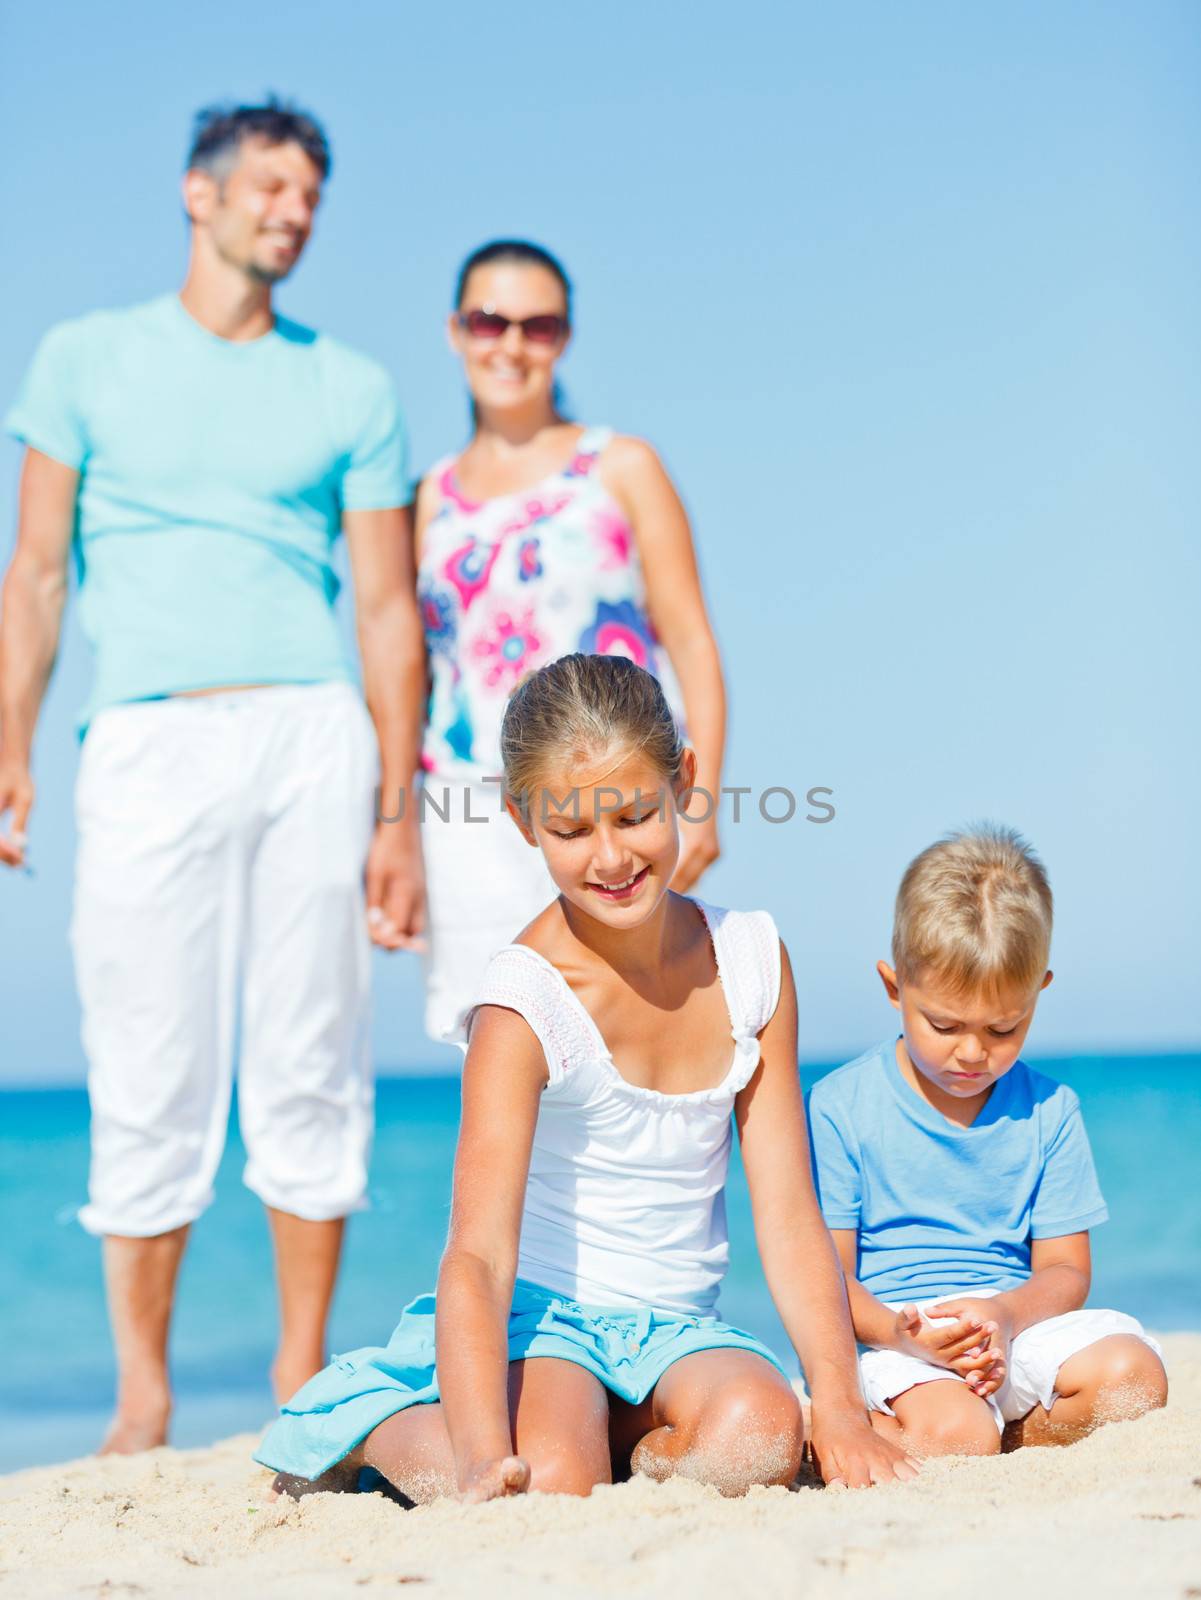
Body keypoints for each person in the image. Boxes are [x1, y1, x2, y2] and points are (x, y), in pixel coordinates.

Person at [0, 99, 427, 1452]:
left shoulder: (351, 387)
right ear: (200, 194)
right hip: (143, 736)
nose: (291, 210)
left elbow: (386, 610)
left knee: (313, 1054)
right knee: (146, 1060)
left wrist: (399, 811)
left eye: (310, 193)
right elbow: (39, 571)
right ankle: (143, 1398)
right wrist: (9, 740)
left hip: (312, 734)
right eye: (269, 186)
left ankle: (300, 1377)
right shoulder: (84, 358)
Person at [255, 655, 917, 1500]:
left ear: (682, 782)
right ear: (523, 821)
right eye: (570, 832)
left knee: (761, 1436)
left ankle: (612, 1442)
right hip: (545, 1327)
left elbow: (788, 1215)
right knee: (550, 1481)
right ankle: (368, 1427)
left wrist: (840, 1406)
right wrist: (477, 1457)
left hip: (678, 1329)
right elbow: (478, 1257)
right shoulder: (522, 1006)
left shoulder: (753, 963)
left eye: (635, 815)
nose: (610, 858)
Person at [411, 239, 725, 1044]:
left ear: (564, 338)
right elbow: (415, 671)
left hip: (616, 800)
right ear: (455, 331)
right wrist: (395, 836)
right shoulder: (425, 502)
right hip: (466, 809)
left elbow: (689, 634)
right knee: (500, 1046)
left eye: (538, 325)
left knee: (628, 1033)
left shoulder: (620, 467)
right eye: (488, 321)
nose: (510, 345)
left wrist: (704, 801)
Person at [807, 826, 1168, 1456]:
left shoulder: (1050, 1111)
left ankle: (1004, 1432)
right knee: (958, 1431)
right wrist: (903, 1333)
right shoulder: (843, 1105)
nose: (973, 1053)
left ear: (1039, 993)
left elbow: (1065, 1269)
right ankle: (921, 1429)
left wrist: (1003, 1314)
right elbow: (828, 1279)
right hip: (900, 1344)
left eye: (1004, 1027)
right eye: (944, 1025)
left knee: (1134, 1378)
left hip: (1013, 1330)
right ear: (894, 988)